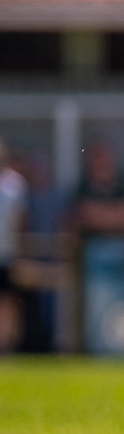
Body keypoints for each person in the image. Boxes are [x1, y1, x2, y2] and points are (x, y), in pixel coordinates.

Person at [68, 143, 124, 240]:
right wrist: (119, 214)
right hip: (92, 245)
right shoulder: (83, 187)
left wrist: (101, 215)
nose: (102, 163)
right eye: (97, 160)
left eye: (105, 160)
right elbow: (87, 216)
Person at [0, 141, 26, 353]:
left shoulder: (14, 184)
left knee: (8, 302)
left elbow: (21, 221)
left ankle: (6, 347)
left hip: (7, 254)